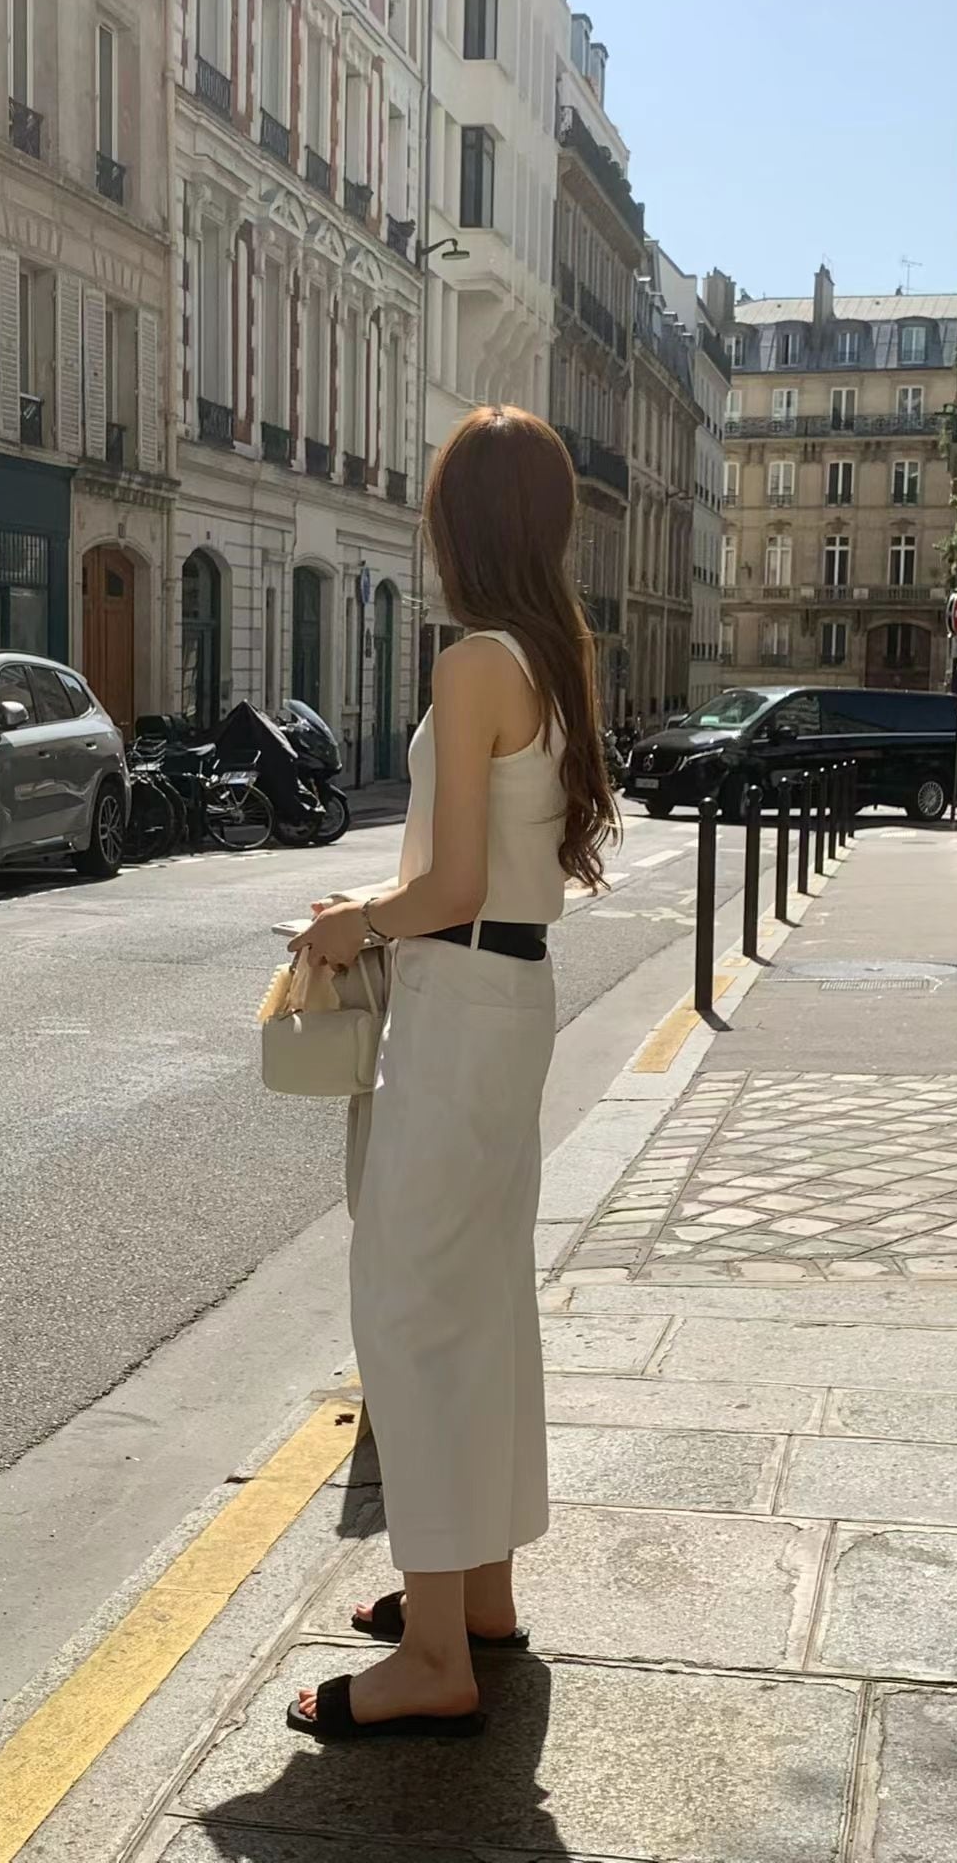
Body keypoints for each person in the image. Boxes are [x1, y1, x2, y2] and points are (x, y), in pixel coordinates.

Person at [285, 405, 617, 1741]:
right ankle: (475, 1596)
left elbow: (456, 884)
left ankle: (434, 1656)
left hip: (462, 996)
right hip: (506, 992)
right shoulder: (550, 654)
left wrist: (357, 922)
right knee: (477, 1298)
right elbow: (483, 873)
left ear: (461, 523)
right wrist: (375, 905)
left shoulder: (477, 660)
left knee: (413, 1304)